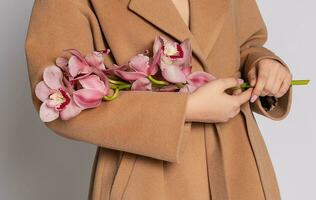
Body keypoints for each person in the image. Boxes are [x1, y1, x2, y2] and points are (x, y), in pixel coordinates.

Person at [25, 0, 293, 199]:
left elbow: (247, 41)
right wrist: (184, 109)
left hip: (238, 164)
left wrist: (262, 62)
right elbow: (57, 98)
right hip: (147, 177)